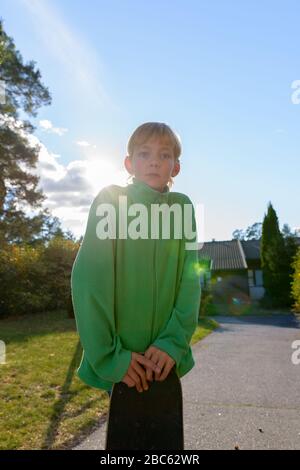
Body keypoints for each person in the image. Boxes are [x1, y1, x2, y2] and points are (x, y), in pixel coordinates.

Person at [71, 121, 201, 417]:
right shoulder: (111, 202)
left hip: (165, 359)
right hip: (122, 358)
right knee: (127, 436)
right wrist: (110, 356)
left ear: (176, 167)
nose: (154, 160)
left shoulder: (182, 208)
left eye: (164, 155)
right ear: (129, 163)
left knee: (163, 438)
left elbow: (191, 279)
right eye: (144, 153)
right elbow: (89, 281)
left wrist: (173, 343)